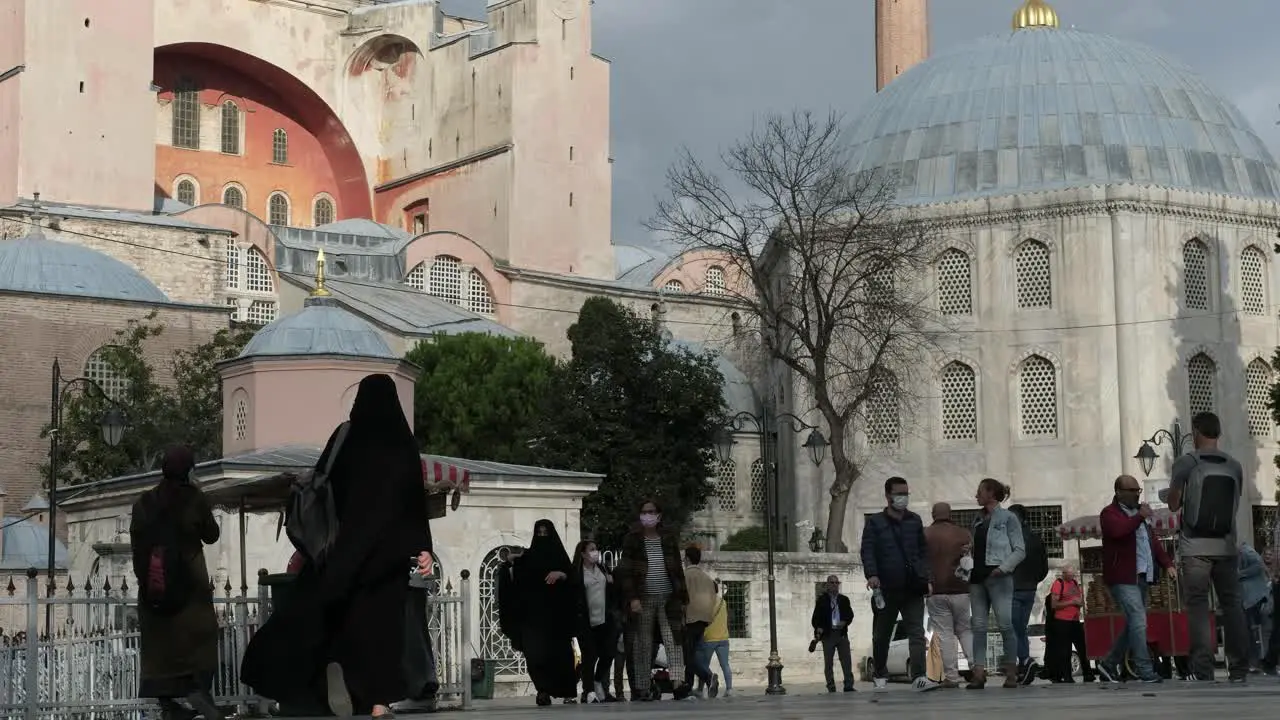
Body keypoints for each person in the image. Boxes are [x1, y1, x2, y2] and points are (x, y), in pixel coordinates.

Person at [241, 373, 431, 719]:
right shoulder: (402, 443)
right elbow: (413, 501)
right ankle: (377, 702)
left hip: (343, 550)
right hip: (387, 556)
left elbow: (322, 482)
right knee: (383, 630)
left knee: (332, 620)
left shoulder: (346, 437)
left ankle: (317, 679)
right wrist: (423, 547)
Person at [131, 445, 223, 720]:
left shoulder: (143, 503)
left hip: (154, 584)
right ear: (188, 470)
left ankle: (168, 704)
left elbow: (136, 543)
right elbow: (212, 535)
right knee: (199, 638)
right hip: (189, 585)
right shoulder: (193, 499)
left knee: (160, 646)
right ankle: (196, 690)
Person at [1167, 411, 1250, 682]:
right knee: (1232, 605)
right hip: (1226, 545)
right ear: (1218, 433)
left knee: (1199, 606)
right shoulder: (1234, 465)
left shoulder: (1185, 462)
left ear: (1196, 432)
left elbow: (1173, 504)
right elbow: (1234, 504)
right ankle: (1239, 669)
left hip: (1195, 548)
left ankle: (1203, 670)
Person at [860, 477, 936, 692]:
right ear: (888, 496)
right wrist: (872, 574)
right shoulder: (875, 522)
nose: (903, 497)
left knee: (917, 632)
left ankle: (919, 676)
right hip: (886, 587)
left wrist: (927, 577)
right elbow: (868, 550)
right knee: (882, 635)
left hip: (913, 586)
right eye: (898, 493)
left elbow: (923, 552)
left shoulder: (914, 521)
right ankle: (880, 672)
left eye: (906, 493)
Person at [1097, 474, 1174, 684]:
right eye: (1132, 491)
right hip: (1122, 577)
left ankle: (1108, 663)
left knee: (1134, 623)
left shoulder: (1141, 515)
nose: (1136, 495)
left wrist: (1167, 563)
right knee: (1139, 621)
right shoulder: (1109, 513)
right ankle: (1144, 670)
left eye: (1137, 491)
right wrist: (1139, 516)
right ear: (1119, 492)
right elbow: (1119, 531)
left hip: (1142, 575)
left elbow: (1153, 541)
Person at [616, 499, 691, 701]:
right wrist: (632, 598)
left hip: (669, 598)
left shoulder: (667, 537)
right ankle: (642, 687)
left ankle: (678, 683)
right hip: (644, 598)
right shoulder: (632, 539)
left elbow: (677, 569)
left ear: (659, 515)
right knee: (643, 643)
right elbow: (626, 572)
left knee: (673, 641)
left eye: (651, 512)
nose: (647, 515)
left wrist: (683, 598)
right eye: (644, 512)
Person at [966, 478, 1025, 690]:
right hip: (977, 578)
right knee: (978, 626)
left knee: (1005, 625)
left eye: (979, 491)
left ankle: (1011, 673)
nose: (976, 496)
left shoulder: (1008, 518)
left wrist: (1003, 568)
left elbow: (1020, 550)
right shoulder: (978, 519)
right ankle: (979, 674)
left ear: (991, 493)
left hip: (999, 577)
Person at [514, 520, 578, 706]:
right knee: (535, 655)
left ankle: (567, 692)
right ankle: (542, 690)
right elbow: (517, 580)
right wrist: (511, 563)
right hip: (534, 617)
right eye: (539, 533)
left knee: (560, 655)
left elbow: (573, 579)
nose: (542, 536)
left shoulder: (560, 557)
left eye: (545, 533)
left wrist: (561, 574)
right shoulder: (528, 558)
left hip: (557, 617)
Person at [924, 502, 974, 689]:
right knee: (965, 630)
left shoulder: (925, 534)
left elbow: (919, 559)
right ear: (950, 514)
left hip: (935, 590)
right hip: (961, 588)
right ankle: (976, 668)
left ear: (933, 514)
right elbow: (971, 560)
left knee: (945, 634)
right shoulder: (964, 534)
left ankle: (952, 677)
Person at [571, 539, 618, 703]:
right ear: (583, 554)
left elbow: (611, 591)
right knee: (589, 656)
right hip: (586, 622)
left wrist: (611, 582)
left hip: (605, 619)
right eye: (591, 550)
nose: (595, 552)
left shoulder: (602, 568)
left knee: (608, 653)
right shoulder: (577, 572)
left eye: (596, 549)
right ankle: (588, 691)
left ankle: (598, 681)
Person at [1007, 504, 1049, 685]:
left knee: (1013, 629)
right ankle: (1024, 668)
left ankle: (1025, 660)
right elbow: (1044, 568)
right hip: (1030, 589)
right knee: (1020, 628)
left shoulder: (1009, 540)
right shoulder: (1036, 539)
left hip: (1013, 589)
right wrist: (1033, 581)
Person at [398, 551, 439, 712]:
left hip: (407, 579)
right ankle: (420, 690)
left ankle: (421, 691)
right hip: (405, 577)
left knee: (412, 635)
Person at [1043, 564, 1093, 683]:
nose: (1072, 577)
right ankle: (1067, 676)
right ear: (1064, 574)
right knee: (1065, 650)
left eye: (1073, 575)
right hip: (1062, 621)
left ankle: (1088, 673)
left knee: (1083, 647)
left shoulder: (1075, 584)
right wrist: (1071, 602)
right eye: (1070, 575)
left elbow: (1079, 600)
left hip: (1075, 620)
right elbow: (1054, 605)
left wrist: (1079, 603)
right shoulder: (1058, 584)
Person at [681, 546, 719, 697]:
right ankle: (688, 686)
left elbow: (682, 599)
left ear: (687, 559)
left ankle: (708, 677)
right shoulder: (707, 578)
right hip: (704, 620)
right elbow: (713, 599)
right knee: (692, 655)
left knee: (687, 657)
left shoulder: (686, 576)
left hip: (690, 620)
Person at [810, 575, 856, 693]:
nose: (835, 585)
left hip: (841, 633)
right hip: (828, 634)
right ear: (827, 585)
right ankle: (831, 685)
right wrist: (818, 628)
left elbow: (850, 614)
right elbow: (816, 617)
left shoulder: (844, 599)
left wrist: (844, 621)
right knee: (829, 662)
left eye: (837, 583)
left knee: (846, 660)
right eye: (832, 583)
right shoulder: (822, 600)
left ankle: (848, 685)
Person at [696, 582, 733, 698]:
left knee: (703, 665)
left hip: (709, 638)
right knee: (725, 665)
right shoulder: (723, 602)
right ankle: (729, 689)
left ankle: (700, 689)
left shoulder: (705, 604)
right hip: (723, 637)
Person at [1238, 542, 1270, 670]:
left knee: (1253, 630)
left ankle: (1255, 661)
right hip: (1248, 598)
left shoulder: (1246, 551)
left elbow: (1258, 565)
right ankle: (1253, 661)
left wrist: (1240, 574)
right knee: (1249, 630)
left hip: (1254, 597)